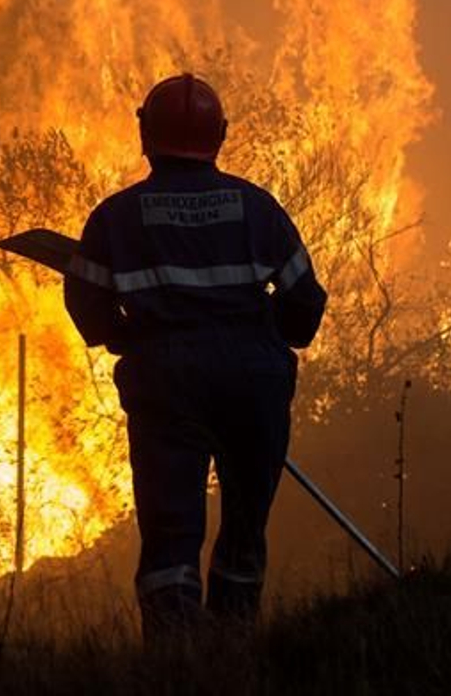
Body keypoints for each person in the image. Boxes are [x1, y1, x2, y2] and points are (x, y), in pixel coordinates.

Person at [63, 73, 327, 643]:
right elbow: (306, 303)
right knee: (244, 528)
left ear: (145, 134)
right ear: (221, 136)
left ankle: (177, 662)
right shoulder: (259, 209)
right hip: (254, 383)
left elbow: (85, 299)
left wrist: (123, 336)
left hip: (165, 381)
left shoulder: (115, 217)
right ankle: (233, 650)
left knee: (171, 530)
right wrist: (265, 334)